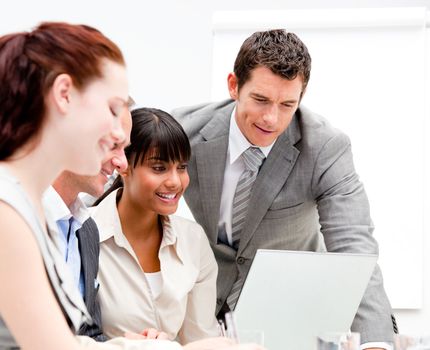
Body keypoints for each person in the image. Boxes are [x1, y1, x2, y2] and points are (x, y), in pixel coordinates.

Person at [0, 21, 262, 350]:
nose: (120, 150)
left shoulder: (46, 215)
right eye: (112, 108)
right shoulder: (8, 208)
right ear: (64, 95)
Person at [172, 29, 396, 349]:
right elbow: (122, 191)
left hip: (293, 314)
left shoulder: (325, 147)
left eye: (287, 104)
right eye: (261, 99)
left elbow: (354, 248)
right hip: (204, 313)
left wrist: (376, 344)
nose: (271, 118)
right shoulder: (184, 132)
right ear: (234, 86)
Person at [91, 107, 219, 344]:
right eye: (159, 168)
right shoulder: (84, 233)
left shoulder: (193, 239)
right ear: (124, 165)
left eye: (181, 167)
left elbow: (201, 340)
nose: (175, 181)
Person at [42, 103, 133, 341]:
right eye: (114, 145)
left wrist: (132, 344)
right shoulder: (18, 218)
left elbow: (89, 334)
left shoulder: (87, 230)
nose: (122, 163)